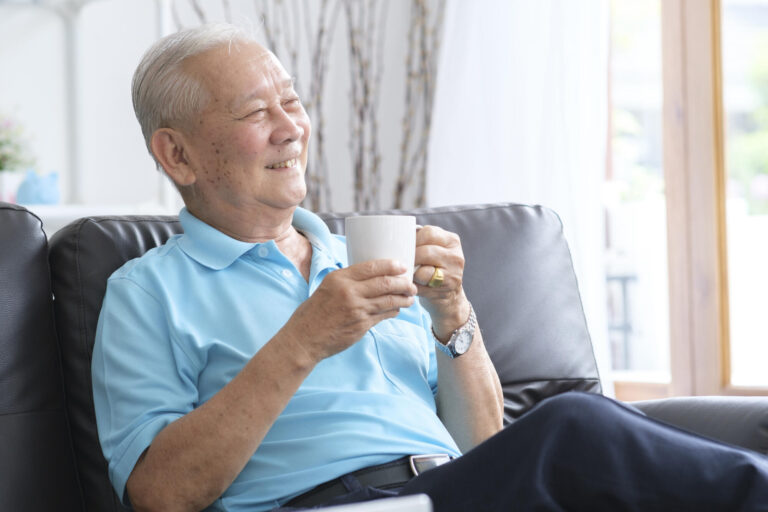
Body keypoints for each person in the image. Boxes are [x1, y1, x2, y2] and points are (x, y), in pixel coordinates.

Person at [92, 23, 768, 512]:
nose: (291, 127)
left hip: (451, 489)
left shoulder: (358, 258)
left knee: (612, 445)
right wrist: (303, 340)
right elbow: (161, 494)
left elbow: (482, 443)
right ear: (177, 155)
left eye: (292, 102)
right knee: (573, 425)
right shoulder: (146, 292)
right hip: (327, 506)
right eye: (254, 112)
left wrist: (454, 317)